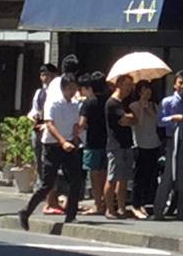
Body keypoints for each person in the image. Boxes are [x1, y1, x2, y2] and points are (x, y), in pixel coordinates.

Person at [19, 74, 84, 230]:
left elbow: (75, 125)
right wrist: (63, 142)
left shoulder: (75, 105)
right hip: (53, 145)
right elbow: (50, 125)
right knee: (48, 184)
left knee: (76, 179)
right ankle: (26, 212)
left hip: (69, 144)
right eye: (70, 88)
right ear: (63, 89)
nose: (73, 91)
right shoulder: (53, 103)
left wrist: (76, 139)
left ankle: (71, 215)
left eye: (75, 88)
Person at [154, 69, 183, 221]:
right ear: (175, 84)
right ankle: (158, 211)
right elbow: (159, 120)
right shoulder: (167, 102)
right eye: (180, 83)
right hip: (171, 141)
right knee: (167, 177)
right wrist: (173, 118)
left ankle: (182, 211)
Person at [104, 75, 136, 219]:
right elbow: (124, 120)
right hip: (115, 145)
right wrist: (128, 118)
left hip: (127, 144)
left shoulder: (124, 103)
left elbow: (134, 120)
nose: (129, 88)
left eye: (131, 85)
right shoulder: (112, 103)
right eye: (127, 84)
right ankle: (109, 209)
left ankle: (122, 208)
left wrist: (129, 118)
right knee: (112, 177)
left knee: (123, 179)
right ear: (119, 84)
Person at [77, 72, 108, 216]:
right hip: (107, 141)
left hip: (92, 141)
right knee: (105, 174)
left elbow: (82, 124)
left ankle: (97, 204)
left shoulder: (88, 103)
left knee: (94, 175)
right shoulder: (109, 101)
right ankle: (105, 203)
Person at [129, 80, 161, 218]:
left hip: (153, 143)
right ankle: (136, 204)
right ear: (139, 92)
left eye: (149, 89)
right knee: (139, 176)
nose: (148, 92)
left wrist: (149, 109)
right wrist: (142, 107)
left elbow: (158, 121)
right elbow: (138, 122)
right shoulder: (134, 105)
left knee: (151, 175)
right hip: (140, 144)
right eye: (144, 89)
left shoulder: (154, 105)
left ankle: (148, 203)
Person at [27, 63, 56, 193]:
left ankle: (49, 188)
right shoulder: (39, 92)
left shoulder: (56, 93)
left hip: (50, 129)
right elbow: (34, 110)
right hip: (37, 128)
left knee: (48, 160)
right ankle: (40, 183)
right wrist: (32, 117)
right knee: (38, 157)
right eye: (43, 75)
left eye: (48, 75)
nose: (45, 78)